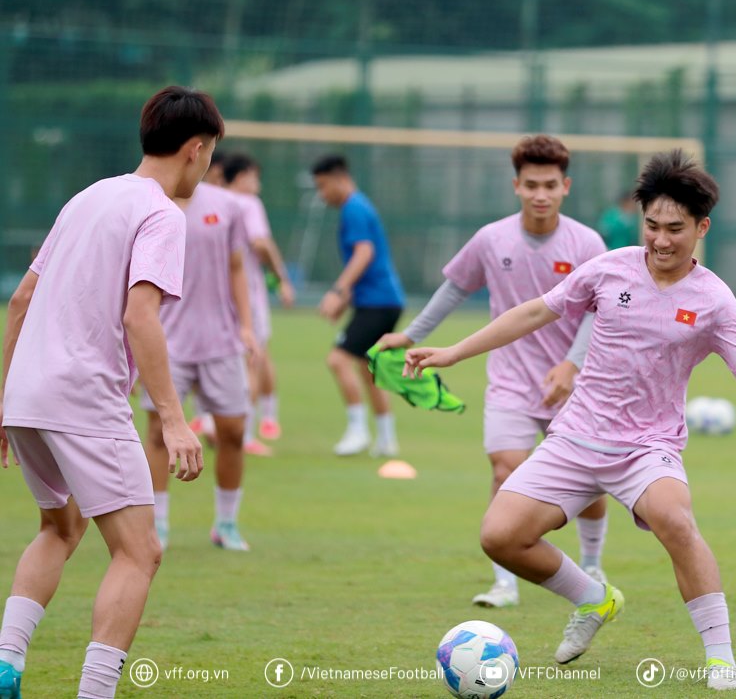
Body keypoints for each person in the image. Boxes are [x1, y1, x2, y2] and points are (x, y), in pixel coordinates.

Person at [405, 150, 736, 690]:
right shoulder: (609, 268)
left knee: (675, 519)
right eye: (651, 225)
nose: (661, 240)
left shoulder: (716, 300)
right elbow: (534, 312)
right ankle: (594, 598)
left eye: (676, 228)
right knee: (499, 536)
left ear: (702, 227)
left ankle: (721, 656)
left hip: (648, 446)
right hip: (576, 437)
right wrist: (452, 352)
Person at [0, 85, 220, 699]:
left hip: (27, 396)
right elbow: (139, 317)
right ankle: (95, 692)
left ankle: (6, 667)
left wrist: (3, 399)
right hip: (82, 398)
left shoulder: (89, 196)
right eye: (208, 158)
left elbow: (20, 299)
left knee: (59, 529)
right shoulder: (161, 214)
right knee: (139, 552)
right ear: (196, 150)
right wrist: (173, 421)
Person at [379, 134, 611, 608]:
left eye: (550, 184)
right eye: (531, 185)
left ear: (565, 186)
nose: (540, 194)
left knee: (589, 483)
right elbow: (454, 288)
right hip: (509, 379)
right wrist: (412, 335)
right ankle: (505, 581)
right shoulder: (492, 238)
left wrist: (572, 364)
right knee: (506, 471)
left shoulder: (587, 242)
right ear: (516, 186)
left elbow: (598, 309)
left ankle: (591, 562)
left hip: (575, 385)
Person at [140, 179, 259, 552]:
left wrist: (246, 325)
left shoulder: (228, 205)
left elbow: (237, 267)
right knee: (159, 432)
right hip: (166, 340)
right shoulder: (145, 202)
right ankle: (156, 526)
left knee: (233, 433)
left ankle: (226, 524)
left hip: (220, 340)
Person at [313, 154, 405, 458]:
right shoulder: (360, 205)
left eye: (323, 186)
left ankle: (358, 431)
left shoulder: (353, 207)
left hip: (378, 302)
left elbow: (364, 254)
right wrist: (349, 297)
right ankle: (387, 439)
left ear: (340, 179)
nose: (322, 195)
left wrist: (339, 291)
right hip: (384, 300)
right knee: (369, 370)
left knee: (338, 360)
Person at [222, 153, 295, 454]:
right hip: (247, 295)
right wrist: (281, 278)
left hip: (216, 298)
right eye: (254, 177)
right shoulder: (248, 204)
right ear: (241, 177)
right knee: (254, 359)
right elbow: (261, 242)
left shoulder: (210, 200)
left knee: (226, 362)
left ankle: (216, 423)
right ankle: (246, 434)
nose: (258, 184)